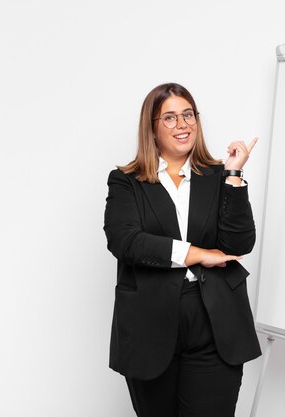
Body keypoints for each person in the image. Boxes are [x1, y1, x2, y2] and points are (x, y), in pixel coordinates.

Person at [103, 82, 262, 417]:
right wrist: (197, 254)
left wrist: (233, 175)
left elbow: (238, 243)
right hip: (150, 323)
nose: (183, 125)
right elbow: (124, 241)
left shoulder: (217, 175)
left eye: (188, 115)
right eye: (171, 118)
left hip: (214, 321)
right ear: (152, 128)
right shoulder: (126, 181)